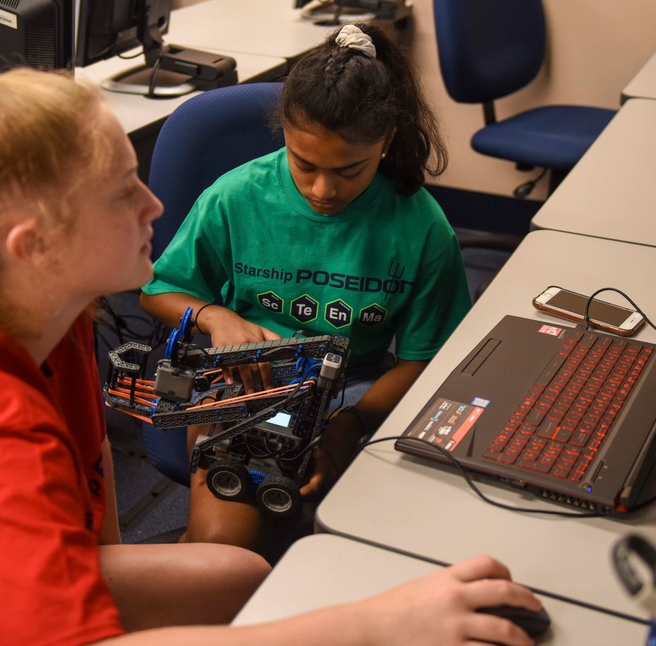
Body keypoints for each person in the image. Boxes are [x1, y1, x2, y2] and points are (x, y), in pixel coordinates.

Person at [0, 44, 542, 646]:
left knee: (238, 579)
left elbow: (90, 528)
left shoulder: (50, 322)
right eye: (125, 191)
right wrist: (379, 631)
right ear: (35, 246)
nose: (155, 203)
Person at [140, 23, 472, 555]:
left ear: (386, 142)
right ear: (286, 137)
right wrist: (215, 317)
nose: (323, 190)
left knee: (352, 540)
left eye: (349, 170)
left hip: (354, 388)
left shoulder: (420, 227)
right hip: (251, 380)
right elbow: (158, 292)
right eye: (305, 165)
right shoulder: (237, 196)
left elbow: (429, 358)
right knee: (224, 549)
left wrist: (350, 423)